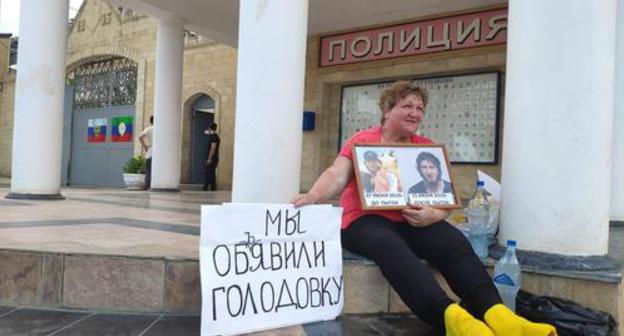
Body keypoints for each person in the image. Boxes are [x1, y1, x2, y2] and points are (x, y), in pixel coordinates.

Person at [292, 81, 556, 336]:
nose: (415, 113)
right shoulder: (364, 140)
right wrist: (313, 195)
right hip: (365, 221)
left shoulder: (425, 147)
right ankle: (453, 320)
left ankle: (500, 316)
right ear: (387, 110)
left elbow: (444, 200)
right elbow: (336, 174)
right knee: (389, 246)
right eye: (407, 106)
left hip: (414, 219)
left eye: (419, 109)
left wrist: (435, 214)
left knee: (453, 242)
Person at [203, 122, 220, 191]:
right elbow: (207, 132)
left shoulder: (213, 137)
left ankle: (206, 187)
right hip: (214, 158)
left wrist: (209, 158)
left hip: (212, 158)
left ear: (210, 128)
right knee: (211, 172)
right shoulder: (215, 136)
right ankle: (212, 187)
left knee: (208, 173)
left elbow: (213, 148)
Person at [138, 115, 153, 189]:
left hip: (150, 151)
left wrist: (145, 146)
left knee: (148, 169)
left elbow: (140, 137)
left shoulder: (148, 129)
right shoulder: (161, 129)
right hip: (160, 153)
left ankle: (147, 185)